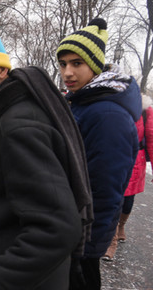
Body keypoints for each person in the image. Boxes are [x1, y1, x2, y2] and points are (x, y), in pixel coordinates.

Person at [0, 7, 92, 290]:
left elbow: (57, 229)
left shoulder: (16, 127)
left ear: (1, 69)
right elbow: (24, 194)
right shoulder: (14, 110)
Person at [57, 18, 141, 289]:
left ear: (95, 65)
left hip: (82, 240)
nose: (68, 72)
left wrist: (86, 245)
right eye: (63, 64)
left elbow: (105, 187)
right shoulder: (84, 102)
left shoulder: (107, 114)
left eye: (77, 63)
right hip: (71, 230)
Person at [103, 92, 153, 261]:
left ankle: (122, 226)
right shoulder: (110, 107)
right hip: (113, 157)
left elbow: (151, 139)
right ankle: (112, 241)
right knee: (116, 200)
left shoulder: (145, 110)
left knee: (128, 201)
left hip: (135, 160)